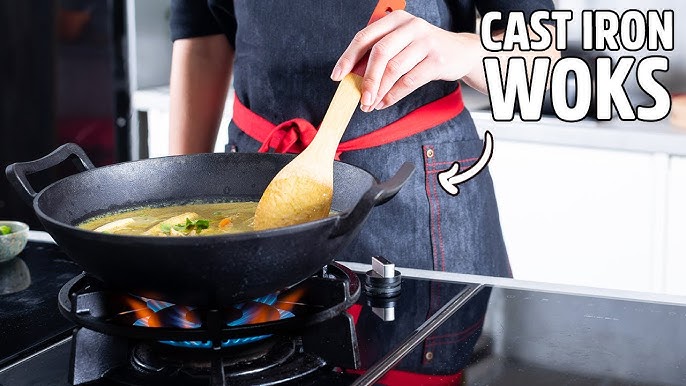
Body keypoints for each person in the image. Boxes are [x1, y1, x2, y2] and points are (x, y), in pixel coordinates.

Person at [168, 0, 558, 277]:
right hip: (251, 182)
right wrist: (177, 208)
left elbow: (544, 59)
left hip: (419, 196)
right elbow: (202, 43)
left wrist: (468, 50)